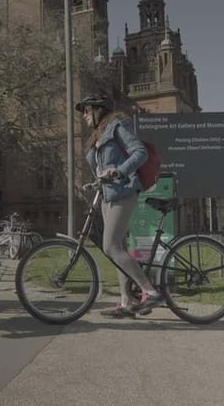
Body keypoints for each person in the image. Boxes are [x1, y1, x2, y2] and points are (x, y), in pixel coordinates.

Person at [76, 94, 164, 318]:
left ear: (98, 110)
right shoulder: (98, 136)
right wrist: (96, 180)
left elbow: (140, 153)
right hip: (108, 195)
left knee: (110, 247)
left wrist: (119, 170)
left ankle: (150, 291)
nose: (84, 115)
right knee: (119, 250)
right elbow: (104, 166)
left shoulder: (117, 126)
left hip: (123, 191)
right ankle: (126, 303)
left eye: (86, 111)